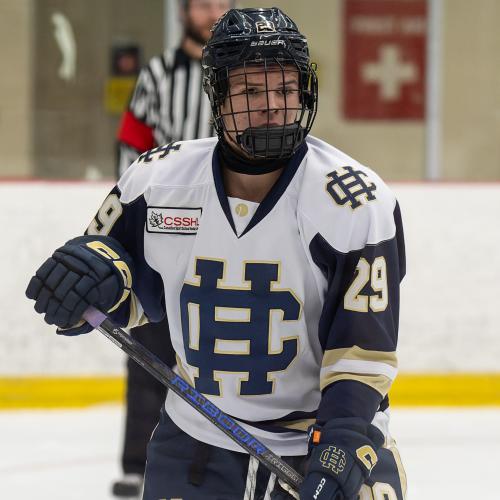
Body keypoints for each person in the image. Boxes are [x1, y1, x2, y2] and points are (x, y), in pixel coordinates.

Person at [26, 7, 407, 500]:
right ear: (218, 95)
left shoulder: (355, 204)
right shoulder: (155, 184)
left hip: (319, 441)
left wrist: (342, 446)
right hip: (194, 445)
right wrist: (88, 293)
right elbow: (126, 294)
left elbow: (362, 353)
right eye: (251, 91)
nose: (272, 106)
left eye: (286, 89)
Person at [113, 0, 232, 496]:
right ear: (183, 12)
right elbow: (132, 147)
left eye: (222, 3)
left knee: (222, 352)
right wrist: (136, 224)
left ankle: (223, 462)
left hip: (231, 240)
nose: (213, 13)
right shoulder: (158, 75)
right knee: (149, 348)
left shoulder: (242, 74)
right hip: (165, 235)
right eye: (203, 4)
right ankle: (137, 464)